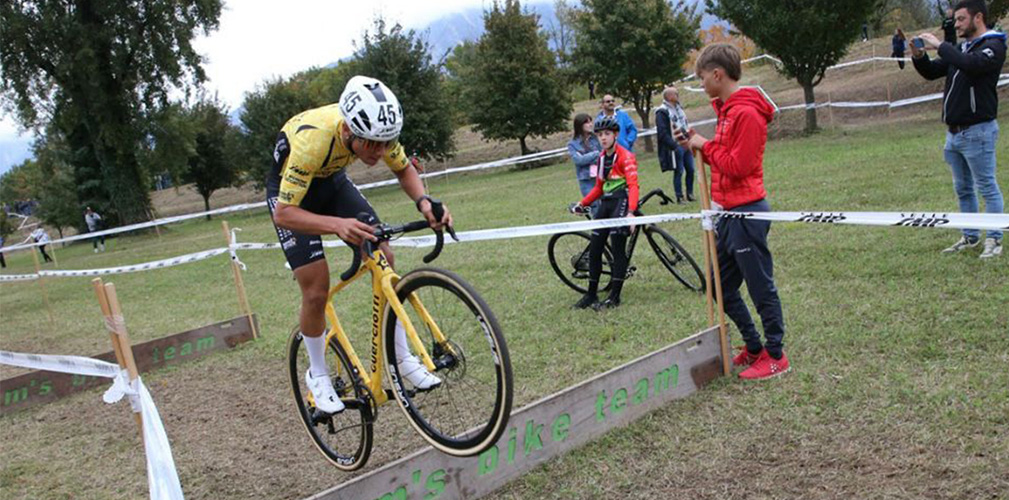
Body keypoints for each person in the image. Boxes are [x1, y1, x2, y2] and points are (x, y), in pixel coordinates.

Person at [268, 76, 450, 414]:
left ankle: (400, 357)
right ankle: (318, 374)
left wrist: (424, 202)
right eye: (372, 145)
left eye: (385, 144)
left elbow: (404, 169)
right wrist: (337, 225)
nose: (380, 153)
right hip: (292, 198)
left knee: (384, 253)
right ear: (349, 131)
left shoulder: (377, 131)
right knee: (316, 288)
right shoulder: (312, 142)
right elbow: (284, 214)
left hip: (332, 183)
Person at [678, 43, 789, 380]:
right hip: (726, 211)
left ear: (717, 74)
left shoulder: (746, 113)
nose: (700, 84)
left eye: (702, 78)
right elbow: (721, 156)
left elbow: (738, 166)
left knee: (759, 286)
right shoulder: (726, 110)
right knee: (718, 285)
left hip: (747, 212)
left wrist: (704, 145)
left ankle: (775, 355)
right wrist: (697, 142)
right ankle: (753, 345)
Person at [912, 0, 1005, 259]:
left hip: (979, 131)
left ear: (978, 18)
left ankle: (994, 240)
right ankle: (970, 235)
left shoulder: (993, 46)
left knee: (986, 186)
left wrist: (941, 45)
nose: (957, 24)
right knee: (963, 188)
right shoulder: (963, 49)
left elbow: (971, 65)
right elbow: (933, 72)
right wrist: (919, 57)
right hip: (954, 134)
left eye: (961, 19)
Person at [570, 115, 639, 311]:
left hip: (622, 201)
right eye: (600, 135)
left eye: (607, 134)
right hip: (606, 203)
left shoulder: (625, 156)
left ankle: (614, 296)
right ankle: (591, 294)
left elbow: (633, 186)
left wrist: (631, 213)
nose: (603, 138)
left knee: (618, 249)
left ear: (615, 135)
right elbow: (599, 187)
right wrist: (582, 204)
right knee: (595, 248)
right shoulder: (601, 158)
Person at [655, 86, 695, 203]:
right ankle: (679, 196)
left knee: (691, 169)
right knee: (679, 171)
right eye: (675, 94)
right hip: (676, 146)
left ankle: (690, 193)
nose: (677, 96)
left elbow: (684, 124)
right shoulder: (662, 111)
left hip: (686, 144)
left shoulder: (679, 108)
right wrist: (674, 146)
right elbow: (662, 133)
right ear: (669, 96)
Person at [567, 113, 603, 198]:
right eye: (586, 122)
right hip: (586, 180)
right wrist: (595, 153)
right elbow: (579, 160)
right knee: (593, 204)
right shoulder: (573, 144)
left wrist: (586, 157)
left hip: (601, 176)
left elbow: (603, 155)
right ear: (579, 125)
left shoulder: (597, 138)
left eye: (591, 122)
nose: (590, 125)